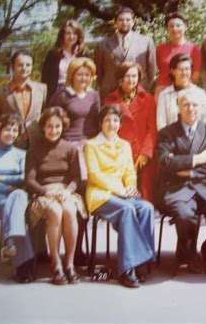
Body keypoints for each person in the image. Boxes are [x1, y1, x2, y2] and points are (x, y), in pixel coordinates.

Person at [157, 89, 206, 272]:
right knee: (184, 215)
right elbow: (165, 161)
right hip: (178, 188)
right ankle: (187, 253)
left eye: (194, 105)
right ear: (178, 107)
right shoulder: (167, 133)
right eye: (186, 104)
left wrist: (189, 172)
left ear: (201, 108)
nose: (190, 109)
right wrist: (197, 159)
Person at [84, 105, 156, 288]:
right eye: (107, 120)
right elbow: (94, 174)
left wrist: (130, 189)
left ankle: (141, 264)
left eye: (115, 120)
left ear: (120, 123)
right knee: (127, 209)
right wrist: (121, 190)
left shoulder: (124, 145)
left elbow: (130, 173)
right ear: (100, 123)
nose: (111, 124)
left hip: (123, 194)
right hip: (100, 194)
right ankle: (127, 269)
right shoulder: (91, 145)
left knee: (146, 208)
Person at [25, 107, 86, 285]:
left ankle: (69, 263)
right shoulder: (34, 150)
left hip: (65, 191)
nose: (54, 130)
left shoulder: (70, 149)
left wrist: (67, 191)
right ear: (43, 127)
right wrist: (47, 192)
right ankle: (55, 264)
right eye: (50, 126)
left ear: (63, 127)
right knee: (55, 211)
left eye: (57, 126)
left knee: (68, 209)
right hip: (43, 192)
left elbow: (77, 178)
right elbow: (29, 180)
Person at [104, 62, 157, 202]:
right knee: (123, 200)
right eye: (127, 76)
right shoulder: (110, 100)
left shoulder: (148, 99)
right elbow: (107, 130)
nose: (131, 80)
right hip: (119, 154)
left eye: (134, 76)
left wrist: (145, 153)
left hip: (142, 156)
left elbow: (152, 129)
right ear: (120, 79)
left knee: (145, 198)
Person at [0, 114, 34, 283]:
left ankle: (10, 245)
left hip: (13, 196)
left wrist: (1, 178)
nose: (11, 133)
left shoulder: (22, 154)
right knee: (12, 203)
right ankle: (24, 265)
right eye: (7, 129)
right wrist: (6, 186)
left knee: (17, 196)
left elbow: (24, 178)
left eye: (14, 130)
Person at [49, 57, 101, 180]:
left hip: (92, 142)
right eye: (80, 74)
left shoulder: (94, 95)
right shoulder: (62, 95)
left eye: (87, 75)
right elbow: (51, 120)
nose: (84, 78)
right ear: (71, 75)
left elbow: (98, 120)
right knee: (83, 176)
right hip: (71, 143)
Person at [94, 6, 157, 98]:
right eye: (121, 20)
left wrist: (144, 86)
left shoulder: (146, 42)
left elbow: (151, 69)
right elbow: (98, 71)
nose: (124, 23)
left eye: (128, 20)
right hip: (110, 93)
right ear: (115, 22)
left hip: (137, 91)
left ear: (133, 21)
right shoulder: (103, 44)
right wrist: (106, 86)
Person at [0, 50, 47, 149]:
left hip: (36, 143)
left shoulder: (42, 89)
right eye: (20, 65)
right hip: (11, 144)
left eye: (28, 65)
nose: (24, 68)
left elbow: (44, 116)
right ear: (12, 67)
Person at [155, 12, 202, 100]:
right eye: (171, 26)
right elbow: (158, 70)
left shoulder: (194, 49)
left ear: (185, 27)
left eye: (178, 25)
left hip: (185, 90)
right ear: (167, 29)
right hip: (163, 90)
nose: (175, 29)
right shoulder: (160, 48)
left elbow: (195, 74)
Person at [156, 53, 206, 131]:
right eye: (180, 69)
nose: (184, 72)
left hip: (196, 140)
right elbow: (161, 123)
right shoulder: (164, 95)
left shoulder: (200, 93)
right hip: (170, 140)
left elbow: (204, 120)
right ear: (173, 71)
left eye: (187, 69)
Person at [41, 20, 90, 103]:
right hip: (57, 93)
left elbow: (89, 76)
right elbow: (45, 79)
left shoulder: (83, 54)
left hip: (78, 92)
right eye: (68, 33)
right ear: (62, 35)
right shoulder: (53, 54)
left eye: (74, 33)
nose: (71, 36)